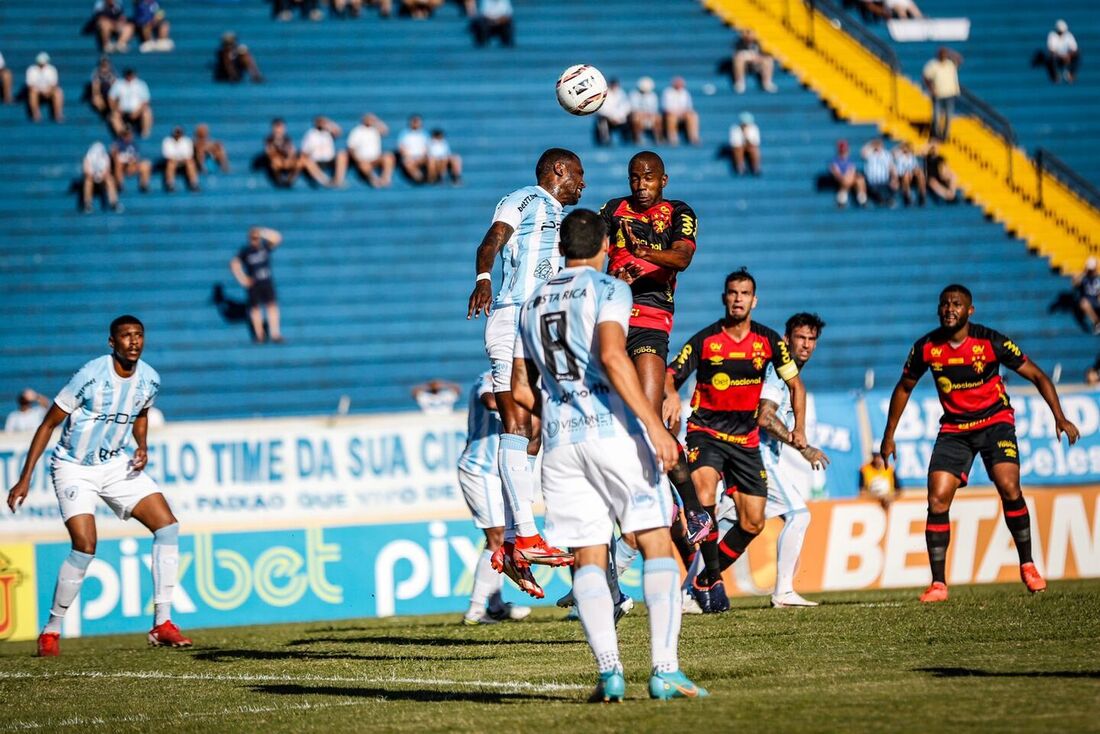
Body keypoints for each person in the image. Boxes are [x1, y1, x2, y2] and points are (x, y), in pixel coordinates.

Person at [511, 208, 707, 702]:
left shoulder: (530, 302)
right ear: (603, 244)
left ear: (560, 249)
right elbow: (616, 358)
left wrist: (555, 408)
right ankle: (664, 669)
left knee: (588, 556)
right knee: (655, 542)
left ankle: (609, 673)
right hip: (611, 432)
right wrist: (652, 427)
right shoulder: (609, 288)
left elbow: (519, 387)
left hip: (560, 443)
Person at [880, 285, 1080, 603]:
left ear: (969, 311)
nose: (949, 309)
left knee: (1008, 485)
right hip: (955, 429)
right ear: (938, 310)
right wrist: (889, 435)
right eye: (944, 304)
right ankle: (938, 584)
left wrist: (1060, 417)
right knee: (937, 498)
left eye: (956, 304)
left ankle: (1028, 565)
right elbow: (904, 387)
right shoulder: (927, 348)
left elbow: (1039, 376)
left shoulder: (990, 341)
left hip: (995, 422)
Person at [5, 316, 192, 657]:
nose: (133, 341)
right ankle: (52, 630)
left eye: (138, 335)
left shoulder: (149, 379)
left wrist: (143, 446)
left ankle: (162, 623)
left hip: (115, 463)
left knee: (167, 526)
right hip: (73, 468)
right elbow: (49, 424)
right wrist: (25, 476)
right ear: (112, 343)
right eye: (126, 336)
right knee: (85, 545)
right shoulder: (91, 375)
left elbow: (142, 414)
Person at [466, 148, 586, 597]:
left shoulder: (557, 215)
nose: (583, 183)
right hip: (513, 314)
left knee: (535, 429)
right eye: (578, 173)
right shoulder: (526, 198)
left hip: (540, 322)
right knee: (516, 422)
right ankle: (526, 535)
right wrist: (482, 278)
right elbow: (492, 239)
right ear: (558, 170)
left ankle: (516, 543)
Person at [664, 268, 807, 613]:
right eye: (732, 292)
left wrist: (799, 428)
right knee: (704, 494)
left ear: (754, 300)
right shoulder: (705, 340)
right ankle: (713, 580)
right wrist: (670, 395)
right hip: (706, 433)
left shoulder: (769, 341)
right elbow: (671, 374)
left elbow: (795, 385)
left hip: (745, 440)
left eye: (744, 293)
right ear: (724, 298)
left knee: (753, 521)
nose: (738, 298)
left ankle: (701, 582)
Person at [598, 151, 705, 544]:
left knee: (649, 419)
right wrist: (611, 276)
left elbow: (682, 257)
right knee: (610, 429)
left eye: (648, 178)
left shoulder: (679, 211)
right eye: (634, 178)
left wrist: (645, 254)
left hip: (650, 321)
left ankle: (693, 506)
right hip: (609, 317)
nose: (640, 185)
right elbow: (586, 250)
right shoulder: (612, 209)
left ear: (664, 179)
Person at [708, 313, 829, 608]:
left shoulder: (787, 374)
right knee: (799, 514)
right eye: (800, 338)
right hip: (755, 455)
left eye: (812, 339)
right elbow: (764, 417)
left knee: (728, 526)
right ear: (786, 340)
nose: (806, 345)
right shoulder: (777, 371)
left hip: (739, 453)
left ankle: (690, 591)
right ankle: (784, 591)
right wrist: (802, 447)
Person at [457, 371, 532, 624]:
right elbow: (489, 401)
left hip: (498, 472)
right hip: (479, 470)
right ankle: (476, 610)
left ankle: (496, 605)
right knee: (497, 536)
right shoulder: (489, 377)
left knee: (503, 538)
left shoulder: (523, 380)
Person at [231, 227, 284, 343]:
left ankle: (275, 333)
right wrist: (242, 279)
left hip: (266, 282)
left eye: (257, 238)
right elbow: (234, 264)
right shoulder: (246, 251)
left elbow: (278, 238)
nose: (255, 240)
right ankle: (259, 335)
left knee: (272, 307)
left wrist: (263, 232)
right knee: (255, 309)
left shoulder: (264, 247)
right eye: (253, 238)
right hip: (254, 284)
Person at [923, 47, 962, 140]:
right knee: (936, 116)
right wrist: (931, 89)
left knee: (948, 116)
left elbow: (960, 60)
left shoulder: (950, 64)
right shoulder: (933, 65)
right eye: (942, 54)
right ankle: (936, 134)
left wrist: (951, 53)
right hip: (938, 95)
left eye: (945, 54)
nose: (943, 56)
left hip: (949, 94)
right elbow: (926, 77)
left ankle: (945, 136)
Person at [347, 113, 395, 187]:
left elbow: (386, 131)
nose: (369, 120)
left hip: (376, 158)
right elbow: (351, 147)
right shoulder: (357, 131)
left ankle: (385, 178)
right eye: (368, 119)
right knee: (364, 165)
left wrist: (377, 121)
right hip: (363, 159)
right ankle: (374, 180)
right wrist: (358, 159)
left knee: (388, 156)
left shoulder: (375, 129)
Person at [299, 116, 348, 188]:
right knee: (306, 161)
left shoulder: (328, 133)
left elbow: (339, 131)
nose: (321, 124)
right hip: (316, 161)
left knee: (342, 154)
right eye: (320, 122)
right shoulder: (310, 135)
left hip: (329, 160)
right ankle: (325, 181)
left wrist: (329, 123)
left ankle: (338, 180)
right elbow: (304, 152)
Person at [108, 68, 152, 138]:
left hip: (137, 111)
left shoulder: (141, 84)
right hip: (122, 111)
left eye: (131, 75)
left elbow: (146, 101)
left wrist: (137, 112)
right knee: (113, 116)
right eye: (128, 75)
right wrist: (116, 108)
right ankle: (122, 135)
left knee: (147, 112)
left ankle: (145, 133)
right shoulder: (118, 83)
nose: (129, 77)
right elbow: (111, 98)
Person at [82, 140, 121, 213]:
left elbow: (107, 170)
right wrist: (93, 176)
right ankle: (87, 204)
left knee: (109, 179)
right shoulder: (88, 157)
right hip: (92, 177)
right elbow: (86, 171)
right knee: (88, 181)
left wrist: (101, 176)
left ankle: (114, 202)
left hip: (102, 178)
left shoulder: (105, 157)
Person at [26, 53, 64, 123]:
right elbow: (30, 85)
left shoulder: (52, 69)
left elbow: (54, 84)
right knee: (32, 93)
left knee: (58, 92)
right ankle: (36, 114)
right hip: (37, 91)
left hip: (49, 90)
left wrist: (48, 91)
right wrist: (40, 91)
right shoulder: (31, 70)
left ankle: (58, 114)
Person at [661, 76, 699, 146]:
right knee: (671, 117)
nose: (679, 85)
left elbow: (689, 107)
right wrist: (676, 113)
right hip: (671, 114)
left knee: (693, 116)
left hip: (683, 114)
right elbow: (665, 107)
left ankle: (693, 137)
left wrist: (683, 113)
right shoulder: (667, 92)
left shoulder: (685, 92)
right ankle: (673, 138)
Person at [111, 127, 152, 192]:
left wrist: (132, 161)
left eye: (129, 134)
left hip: (131, 166)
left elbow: (136, 158)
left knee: (146, 164)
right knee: (118, 163)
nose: (128, 136)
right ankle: (119, 185)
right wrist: (127, 160)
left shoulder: (134, 145)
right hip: (121, 167)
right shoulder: (117, 144)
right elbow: (115, 157)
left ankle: (144, 185)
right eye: (126, 134)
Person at [828, 139, 867, 207]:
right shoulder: (834, 161)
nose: (844, 152)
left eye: (845, 150)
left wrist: (850, 175)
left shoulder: (850, 160)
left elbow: (852, 170)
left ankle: (862, 199)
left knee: (860, 180)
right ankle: (842, 199)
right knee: (847, 179)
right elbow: (836, 173)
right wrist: (845, 176)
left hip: (849, 179)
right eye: (842, 150)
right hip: (841, 179)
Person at [861, 138, 897, 207]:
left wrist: (894, 179)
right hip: (872, 182)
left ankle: (889, 199)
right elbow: (863, 152)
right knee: (874, 189)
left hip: (885, 181)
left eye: (879, 144)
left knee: (894, 184)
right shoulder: (869, 153)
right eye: (876, 144)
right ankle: (881, 199)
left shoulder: (887, 154)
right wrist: (871, 144)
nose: (878, 145)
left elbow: (892, 168)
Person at [161, 126, 199, 192]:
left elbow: (188, 155)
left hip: (184, 163)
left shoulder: (187, 141)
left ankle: (194, 184)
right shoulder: (167, 141)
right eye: (176, 132)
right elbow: (167, 156)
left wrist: (179, 159)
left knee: (190, 163)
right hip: (172, 162)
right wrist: (177, 159)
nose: (178, 133)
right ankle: (170, 184)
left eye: (179, 132)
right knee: (171, 163)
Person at [595, 78, 632, 146]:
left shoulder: (621, 93)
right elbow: (601, 109)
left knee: (628, 122)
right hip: (607, 119)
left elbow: (626, 107)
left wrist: (619, 118)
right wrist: (611, 117)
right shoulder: (604, 94)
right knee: (602, 121)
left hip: (620, 119)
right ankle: (605, 141)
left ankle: (626, 141)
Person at [264, 118, 299, 187]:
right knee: (275, 161)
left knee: (300, 161)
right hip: (277, 162)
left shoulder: (287, 139)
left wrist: (288, 157)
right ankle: (279, 181)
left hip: (287, 161)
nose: (279, 130)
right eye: (277, 127)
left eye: (281, 127)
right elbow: (269, 152)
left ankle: (290, 180)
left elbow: (293, 151)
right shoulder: (269, 139)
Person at [1043, 20, 1079, 84]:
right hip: (1057, 58)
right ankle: (1055, 75)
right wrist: (1061, 56)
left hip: (1067, 57)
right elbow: (1051, 50)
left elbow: (1074, 49)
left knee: (1077, 56)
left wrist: (1068, 56)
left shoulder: (1069, 35)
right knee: (1050, 58)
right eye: (1060, 31)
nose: (1061, 33)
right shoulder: (1052, 35)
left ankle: (1071, 74)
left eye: (1062, 31)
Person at [629, 76, 663, 145]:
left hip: (650, 116)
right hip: (639, 116)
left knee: (658, 118)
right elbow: (633, 109)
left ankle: (658, 139)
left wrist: (649, 115)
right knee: (636, 118)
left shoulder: (653, 95)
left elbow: (654, 109)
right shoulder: (633, 94)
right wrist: (643, 114)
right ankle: (638, 139)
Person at [396, 114, 430, 183]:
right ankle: (419, 178)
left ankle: (433, 178)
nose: (415, 123)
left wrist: (422, 157)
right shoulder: (404, 134)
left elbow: (428, 148)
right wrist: (408, 157)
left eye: (417, 121)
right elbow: (401, 148)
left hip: (422, 157)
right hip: (409, 158)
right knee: (408, 162)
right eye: (414, 121)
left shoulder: (425, 134)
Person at [893, 141, 926, 206]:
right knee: (906, 174)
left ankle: (922, 195)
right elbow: (893, 152)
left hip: (913, 176)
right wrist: (900, 146)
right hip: (902, 176)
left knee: (920, 173)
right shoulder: (899, 156)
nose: (906, 148)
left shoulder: (913, 157)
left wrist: (913, 172)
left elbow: (916, 167)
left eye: (907, 147)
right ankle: (907, 196)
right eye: (905, 147)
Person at [1074, 257, 1100, 334]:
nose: (1091, 271)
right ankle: (1097, 322)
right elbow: (1075, 283)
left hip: (1097, 299)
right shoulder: (1084, 277)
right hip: (1088, 300)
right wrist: (1084, 272)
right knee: (1083, 303)